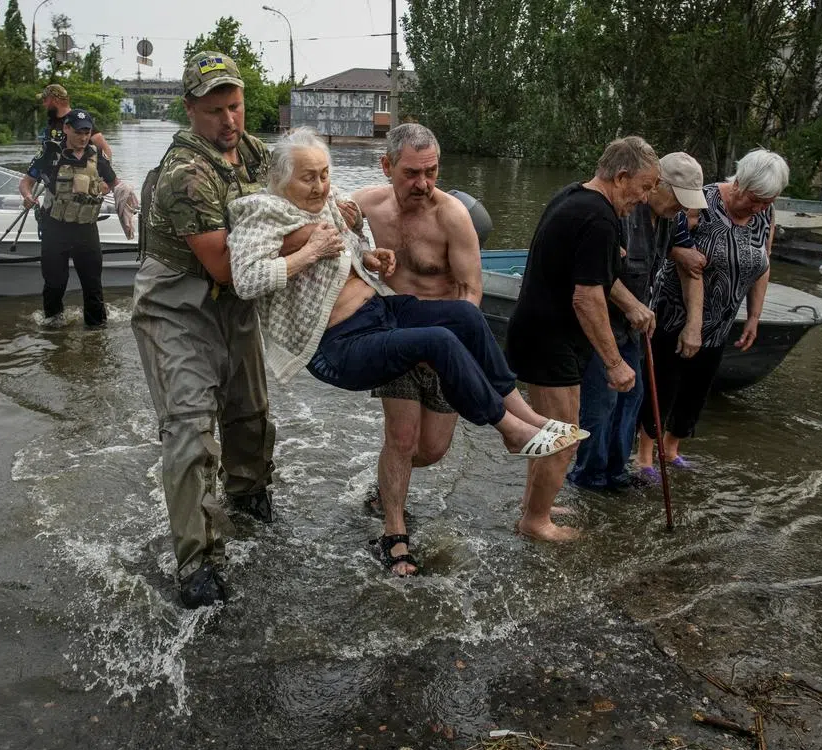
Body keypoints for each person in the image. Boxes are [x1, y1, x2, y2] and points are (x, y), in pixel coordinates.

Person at [228, 128, 583, 570]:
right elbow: (246, 279)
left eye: (323, 175)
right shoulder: (267, 212)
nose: (320, 186)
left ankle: (521, 416)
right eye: (308, 178)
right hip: (347, 344)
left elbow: (362, 249)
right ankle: (402, 527)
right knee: (403, 431)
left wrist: (371, 257)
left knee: (462, 330)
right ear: (388, 167)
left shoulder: (440, 214)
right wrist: (311, 247)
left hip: (390, 319)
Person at [130, 52, 278, 609]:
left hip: (232, 305)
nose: (229, 121)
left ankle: (250, 501)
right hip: (178, 306)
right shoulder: (184, 175)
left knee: (249, 414)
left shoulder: (252, 151)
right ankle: (198, 562)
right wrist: (310, 246)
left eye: (235, 106)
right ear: (190, 109)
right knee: (191, 429)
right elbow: (225, 265)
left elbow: (291, 199)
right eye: (214, 110)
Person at [505, 136, 660, 541]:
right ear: (621, 176)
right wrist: (614, 362)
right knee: (564, 438)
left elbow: (599, 275)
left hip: (538, 330)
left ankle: (533, 505)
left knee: (549, 433)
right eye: (644, 187)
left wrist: (630, 307)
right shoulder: (599, 218)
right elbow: (587, 296)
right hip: (550, 339)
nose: (646, 199)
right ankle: (536, 522)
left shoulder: (576, 196)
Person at [350, 123, 482, 576]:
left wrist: (450, 346)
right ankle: (394, 534)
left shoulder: (452, 217)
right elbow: (319, 218)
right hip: (395, 337)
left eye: (431, 172)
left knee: (432, 449)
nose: (423, 184)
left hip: (443, 345)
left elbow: (470, 292)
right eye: (411, 173)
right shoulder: (366, 204)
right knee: (402, 439)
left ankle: (384, 488)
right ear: (387, 166)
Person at [638, 148, 789, 476]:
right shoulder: (698, 200)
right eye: (756, 198)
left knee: (696, 388)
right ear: (740, 184)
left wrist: (753, 316)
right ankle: (645, 455)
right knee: (664, 383)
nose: (760, 206)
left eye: (768, 200)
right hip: (676, 313)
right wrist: (683, 255)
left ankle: (671, 448)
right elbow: (667, 243)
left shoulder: (766, 214)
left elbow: (763, 265)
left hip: (721, 319)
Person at [566, 152, 708, 492]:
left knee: (633, 398)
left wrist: (693, 324)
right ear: (657, 185)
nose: (683, 210)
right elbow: (595, 271)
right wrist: (631, 305)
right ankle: (589, 478)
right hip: (604, 325)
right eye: (679, 198)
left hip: (634, 330)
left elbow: (689, 266)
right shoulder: (623, 211)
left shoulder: (671, 220)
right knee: (602, 404)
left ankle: (616, 473)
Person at [19, 109, 116, 327]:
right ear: (66, 128)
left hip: (86, 229)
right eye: (78, 132)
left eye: (87, 132)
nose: (83, 138)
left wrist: (105, 188)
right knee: (54, 285)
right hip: (55, 229)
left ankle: (96, 335)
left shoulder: (97, 155)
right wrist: (27, 197)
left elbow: (114, 182)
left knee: (93, 286)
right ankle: (53, 334)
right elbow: (26, 182)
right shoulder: (50, 154)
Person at [37, 84, 113, 159]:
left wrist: (103, 169)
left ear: (55, 101)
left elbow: (106, 150)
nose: (44, 104)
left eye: (45, 100)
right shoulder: (52, 121)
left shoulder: (79, 121)